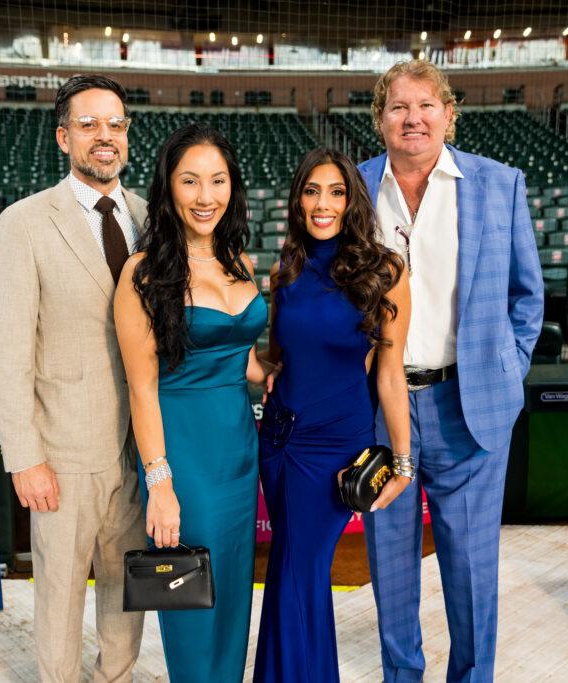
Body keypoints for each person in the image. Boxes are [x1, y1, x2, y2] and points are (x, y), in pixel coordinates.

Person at [358, 60, 544, 683]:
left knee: (470, 570)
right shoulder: (351, 191)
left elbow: (527, 298)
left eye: (426, 106)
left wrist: (506, 372)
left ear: (448, 114)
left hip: (469, 403)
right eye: (399, 108)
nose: (413, 119)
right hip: (380, 409)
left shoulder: (500, 184)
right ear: (380, 120)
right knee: (389, 566)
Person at [0, 74, 147, 682]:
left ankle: (117, 676)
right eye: (88, 125)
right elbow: (7, 349)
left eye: (115, 124)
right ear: (63, 137)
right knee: (58, 595)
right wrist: (25, 456)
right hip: (63, 451)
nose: (104, 136)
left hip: (141, 445)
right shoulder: (24, 222)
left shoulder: (148, 217)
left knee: (126, 590)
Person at [114, 124, 275, 683]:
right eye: (190, 181)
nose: (206, 196)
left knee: (233, 594)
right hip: (182, 450)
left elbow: (242, 356)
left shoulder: (240, 260)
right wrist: (160, 483)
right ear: (168, 187)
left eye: (217, 181)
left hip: (237, 445)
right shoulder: (143, 273)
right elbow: (141, 387)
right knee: (191, 595)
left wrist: (271, 372)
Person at [253, 147, 412, 682]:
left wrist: (403, 464)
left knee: (299, 573)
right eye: (312, 191)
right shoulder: (285, 270)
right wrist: (251, 361)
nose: (324, 204)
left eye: (337, 192)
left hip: (332, 451)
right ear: (298, 200)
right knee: (291, 575)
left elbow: (390, 376)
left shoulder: (386, 272)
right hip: (276, 440)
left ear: (353, 201)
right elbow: (278, 356)